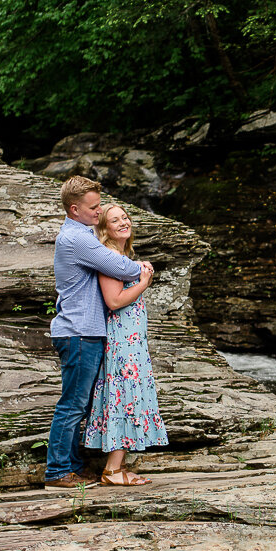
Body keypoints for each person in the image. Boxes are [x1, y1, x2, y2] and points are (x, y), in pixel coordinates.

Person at [45, 176, 147, 489]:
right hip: (78, 333)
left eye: (99, 204)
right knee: (73, 405)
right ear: (74, 209)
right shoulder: (78, 238)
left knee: (81, 404)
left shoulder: (79, 233)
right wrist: (143, 271)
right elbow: (123, 268)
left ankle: (72, 466)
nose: (98, 211)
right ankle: (58, 472)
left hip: (82, 332)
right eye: (93, 207)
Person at [83, 204, 169, 485]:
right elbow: (114, 300)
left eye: (125, 217)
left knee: (129, 394)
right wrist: (144, 282)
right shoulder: (109, 257)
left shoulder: (121, 256)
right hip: (122, 341)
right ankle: (112, 470)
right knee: (123, 394)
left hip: (131, 340)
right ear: (105, 229)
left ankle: (117, 467)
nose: (123, 222)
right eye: (115, 220)